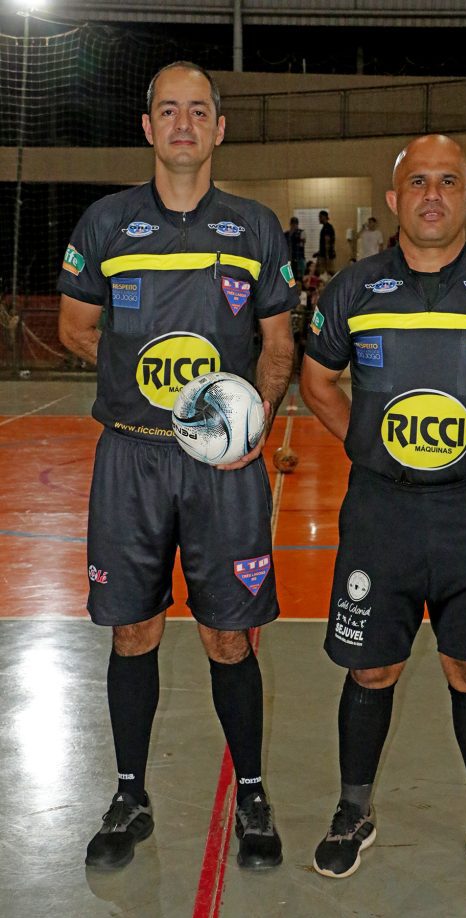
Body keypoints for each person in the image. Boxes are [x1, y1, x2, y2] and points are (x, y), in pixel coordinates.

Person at [300, 134, 466, 889]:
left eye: (448, 181)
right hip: (379, 511)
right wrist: (368, 444)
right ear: (393, 201)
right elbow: (317, 379)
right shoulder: (354, 288)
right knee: (372, 667)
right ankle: (353, 810)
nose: (432, 194)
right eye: (417, 181)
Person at [57, 62, 297, 872]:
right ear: (149, 127)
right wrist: (138, 383)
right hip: (131, 455)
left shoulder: (256, 229)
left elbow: (276, 343)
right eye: (170, 110)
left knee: (230, 637)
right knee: (134, 629)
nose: (184, 124)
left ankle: (254, 793)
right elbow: (75, 326)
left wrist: (251, 420)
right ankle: (130, 793)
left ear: (219, 128)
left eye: (199, 111)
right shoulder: (106, 224)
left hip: (223, 468)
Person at [284, 216, 306, 283]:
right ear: (290, 224)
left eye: (295, 224)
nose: (294, 226)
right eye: (292, 224)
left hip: (299, 259)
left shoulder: (301, 232)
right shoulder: (286, 234)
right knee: (289, 281)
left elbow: (302, 244)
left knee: (299, 279)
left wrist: (294, 235)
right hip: (288, 260)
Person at [316, 210, 336, 275]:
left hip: (326, 255)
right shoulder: (326, 227)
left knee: (327, 272)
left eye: (320, 217)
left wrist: (327, 256)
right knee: (327, 272)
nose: (319, 218)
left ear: (324, 217)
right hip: (325, 254)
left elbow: (327, 242)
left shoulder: (327, 228)